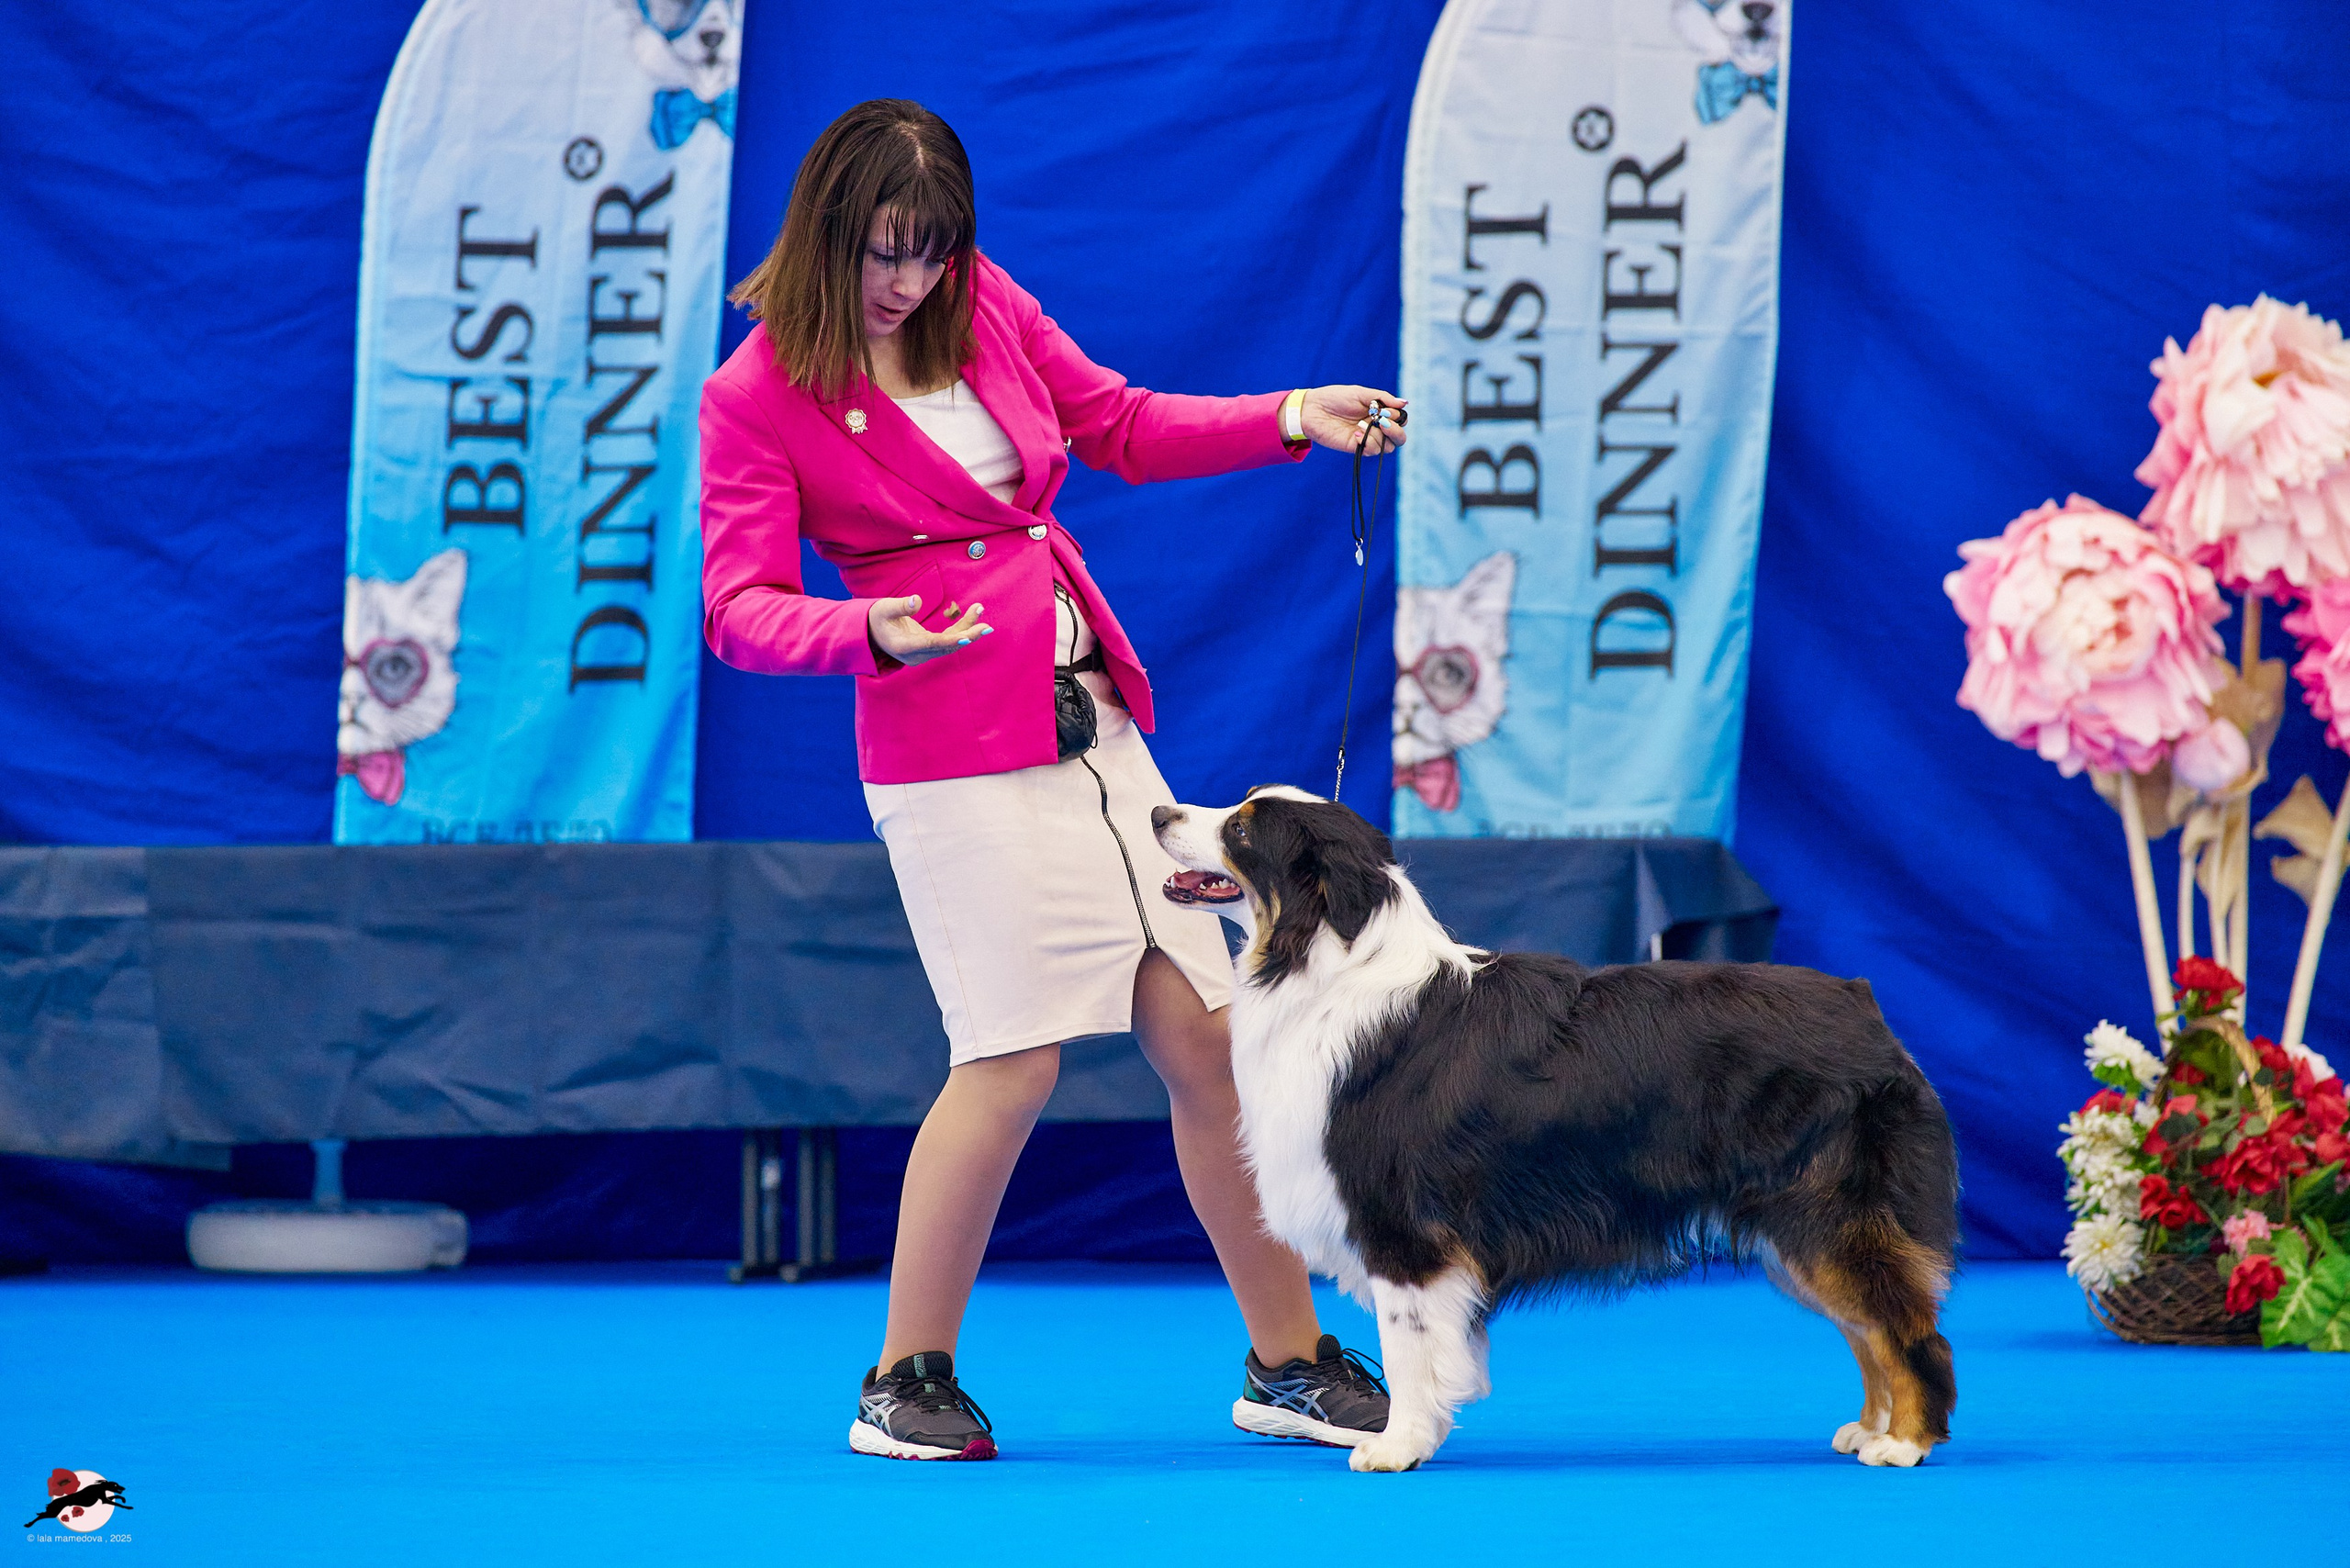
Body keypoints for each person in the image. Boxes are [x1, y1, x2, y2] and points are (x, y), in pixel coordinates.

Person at [699, 98, 1406, 1462]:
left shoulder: (988, 305)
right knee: (1011, 1061)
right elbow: (737, 607)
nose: (909, 282)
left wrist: (1295, 419)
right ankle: (905, 1380)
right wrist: (865, 628)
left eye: (934, 251)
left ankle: (1290, 1362)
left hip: (1098, 737)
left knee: (1210, 1043)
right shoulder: (759, 395)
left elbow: (1124, 424)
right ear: (826, 235)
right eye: (882, 253)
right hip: (950, 763)